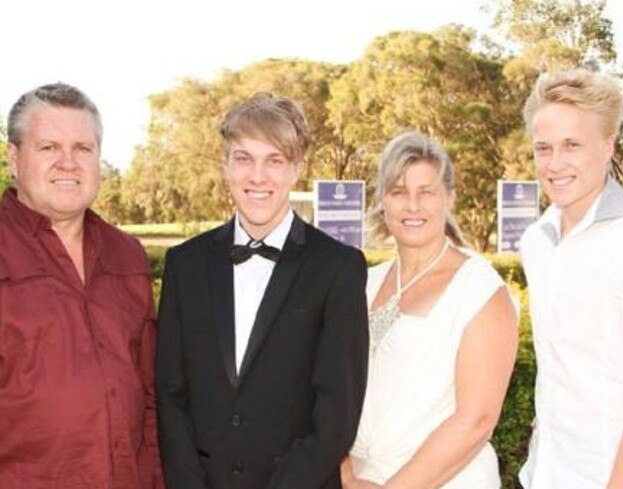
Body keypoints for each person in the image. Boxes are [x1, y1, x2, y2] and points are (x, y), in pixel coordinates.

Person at [155, 92, 369, 489]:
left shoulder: (338, 267)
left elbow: (337, 411)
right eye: (244, 158)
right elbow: (170, 395)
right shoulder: (185, 264)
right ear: (225, 165)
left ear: (296, 169)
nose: (258, 176)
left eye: (274, 160)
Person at [0, 83, 162, 488]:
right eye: (49, 148)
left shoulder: (127, 256)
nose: (68, 163)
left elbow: (150, 397)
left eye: (83, 149)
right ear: (14, 157)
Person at [343, 131, 519, 488]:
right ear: (382, 201)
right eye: (398, 192)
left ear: (449, 197)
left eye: (426, 192)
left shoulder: (481, 290)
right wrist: (345, 474)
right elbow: (329, 390)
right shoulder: (363, 283)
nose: (412, 206)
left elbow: (476, 420)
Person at [519, 69, 623, 488]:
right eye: (544, 148)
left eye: (572, 145)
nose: (555, 164)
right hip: (547, 474)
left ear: (608, 146)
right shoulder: (535, 242)